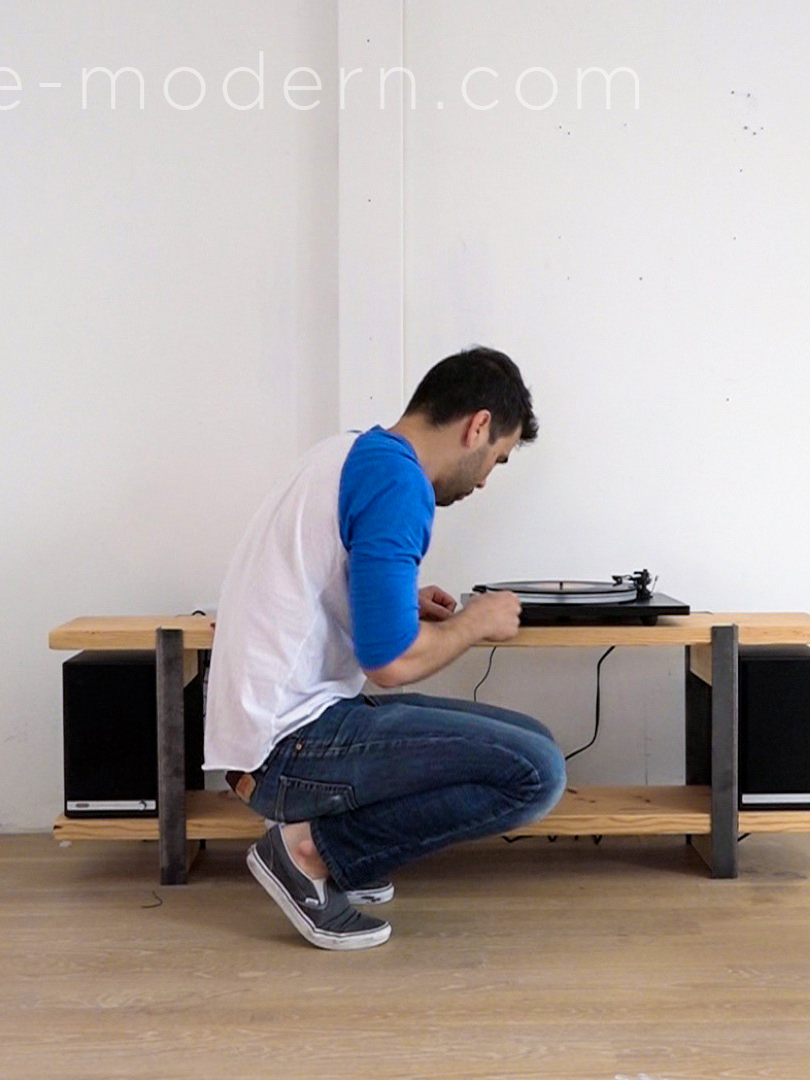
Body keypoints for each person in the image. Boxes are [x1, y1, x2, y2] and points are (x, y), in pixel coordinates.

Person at [202, 346, 566, 950]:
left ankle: (347, 855)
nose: (484, 480)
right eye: (495, 459)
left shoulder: (352, 451)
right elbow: (391, 663)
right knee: (537, 773)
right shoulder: (399, 481)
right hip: (284, 747)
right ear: (477, 426)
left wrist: (398, 597)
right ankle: (310, 855)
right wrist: (476, 622)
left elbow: (320, 577)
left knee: (536, 741)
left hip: (269, 726)